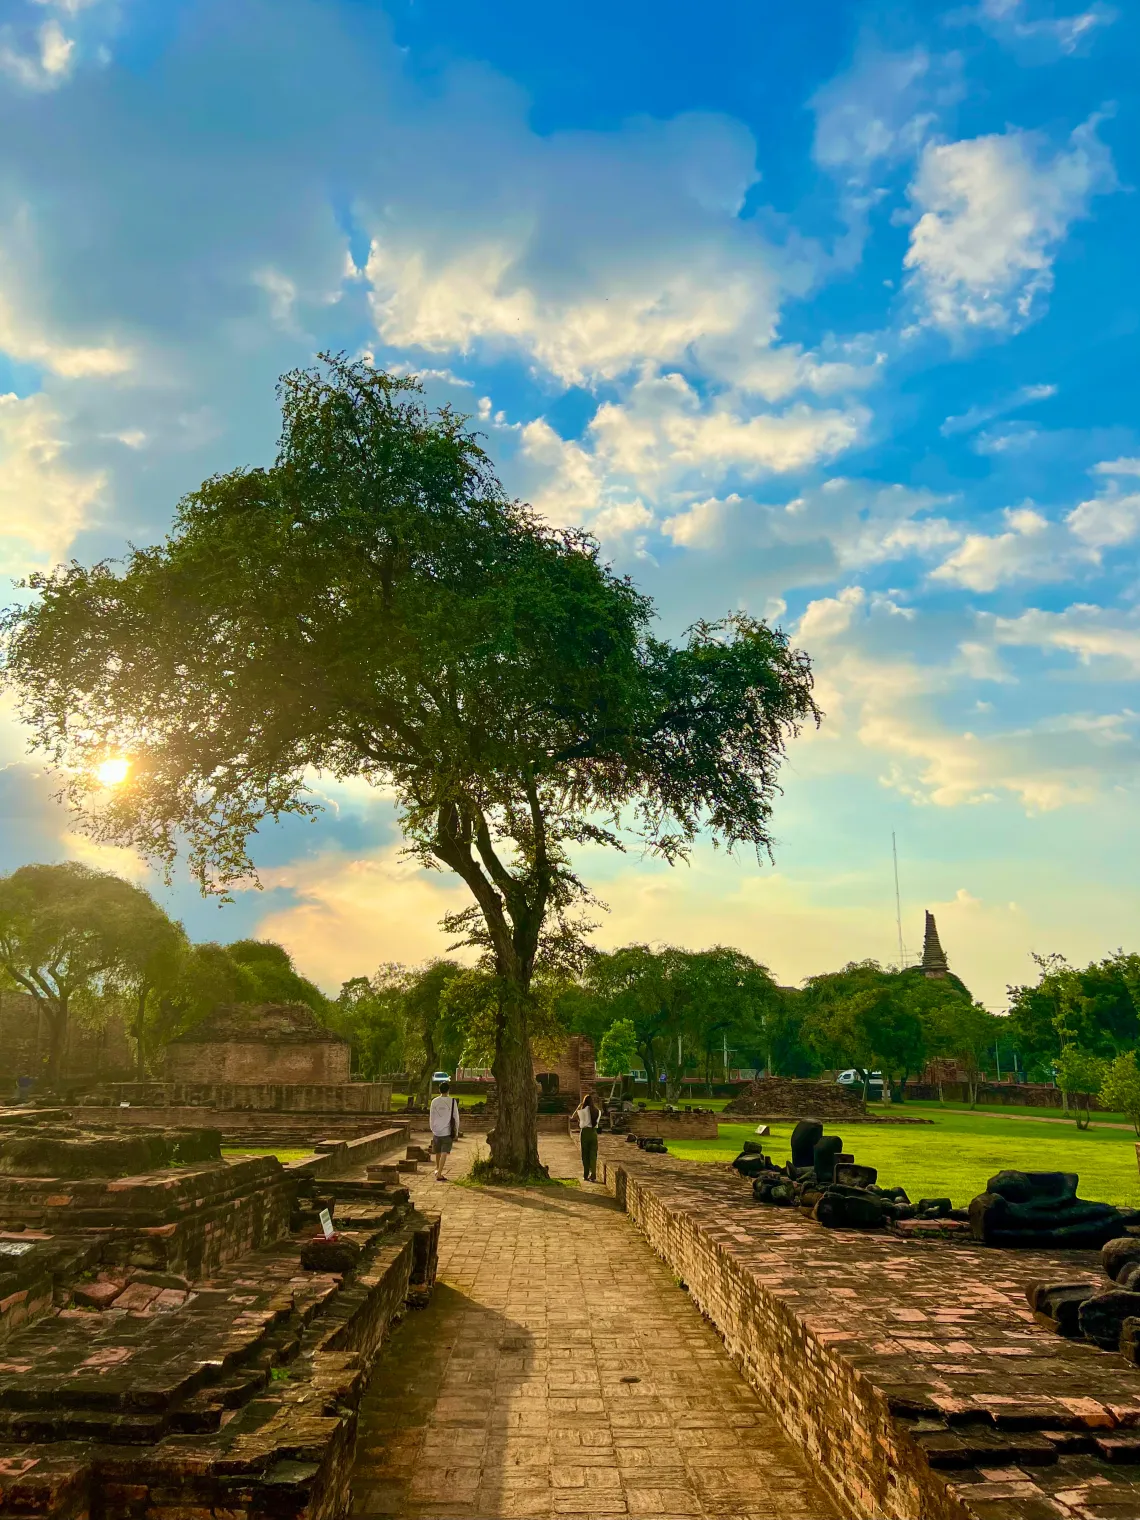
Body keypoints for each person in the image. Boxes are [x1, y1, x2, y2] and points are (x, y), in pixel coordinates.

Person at [428, 1080, 460, 1180]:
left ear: (439, 1090)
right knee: (444, 1152)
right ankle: (439, 1173)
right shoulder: (452, 1101)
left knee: (438, 1152)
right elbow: (456, 1118)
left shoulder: (434, 1101)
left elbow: (431, 1116)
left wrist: (432, 1128)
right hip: (447, 1131)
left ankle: (437, 1169)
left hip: (436, 1130)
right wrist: (456, 1131)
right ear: (448, 1090)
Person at [575, 1091, 600, 1182]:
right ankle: (593, 1174)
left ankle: (586, 1174)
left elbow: (575, 1120)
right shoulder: (597, 1111)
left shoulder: (582, 1111)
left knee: (585, 1154)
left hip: (585, 1133)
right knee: (593, 1155)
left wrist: (579, 1107)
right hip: (594, 1133)